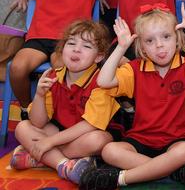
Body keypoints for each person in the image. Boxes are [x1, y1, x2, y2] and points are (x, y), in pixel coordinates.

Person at [79, 1, 185, 189]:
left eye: (166, 37)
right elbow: (103, 81)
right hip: (141, 138)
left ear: (177, 39)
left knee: (184, 151)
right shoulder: (134, 69)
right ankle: (171, 171)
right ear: (142, 47)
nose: (159, 46)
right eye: (150, 41)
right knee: (110, 150)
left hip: (177, 139)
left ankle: (121, 178)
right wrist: (121, 47)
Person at [11, 20, 118, 185]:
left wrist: (49, 143)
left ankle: (39, 157)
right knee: (22, 127)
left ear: (99, 56)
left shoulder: (101, 82)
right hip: (59, 132)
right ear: (62, 49)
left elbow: (89, 125)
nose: (76, 49)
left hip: (84, 135)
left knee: (100, 140)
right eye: (71, 43)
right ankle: (64, 164)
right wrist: (39, 95)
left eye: (87, 46)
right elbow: (38, 122)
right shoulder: (53, 76)